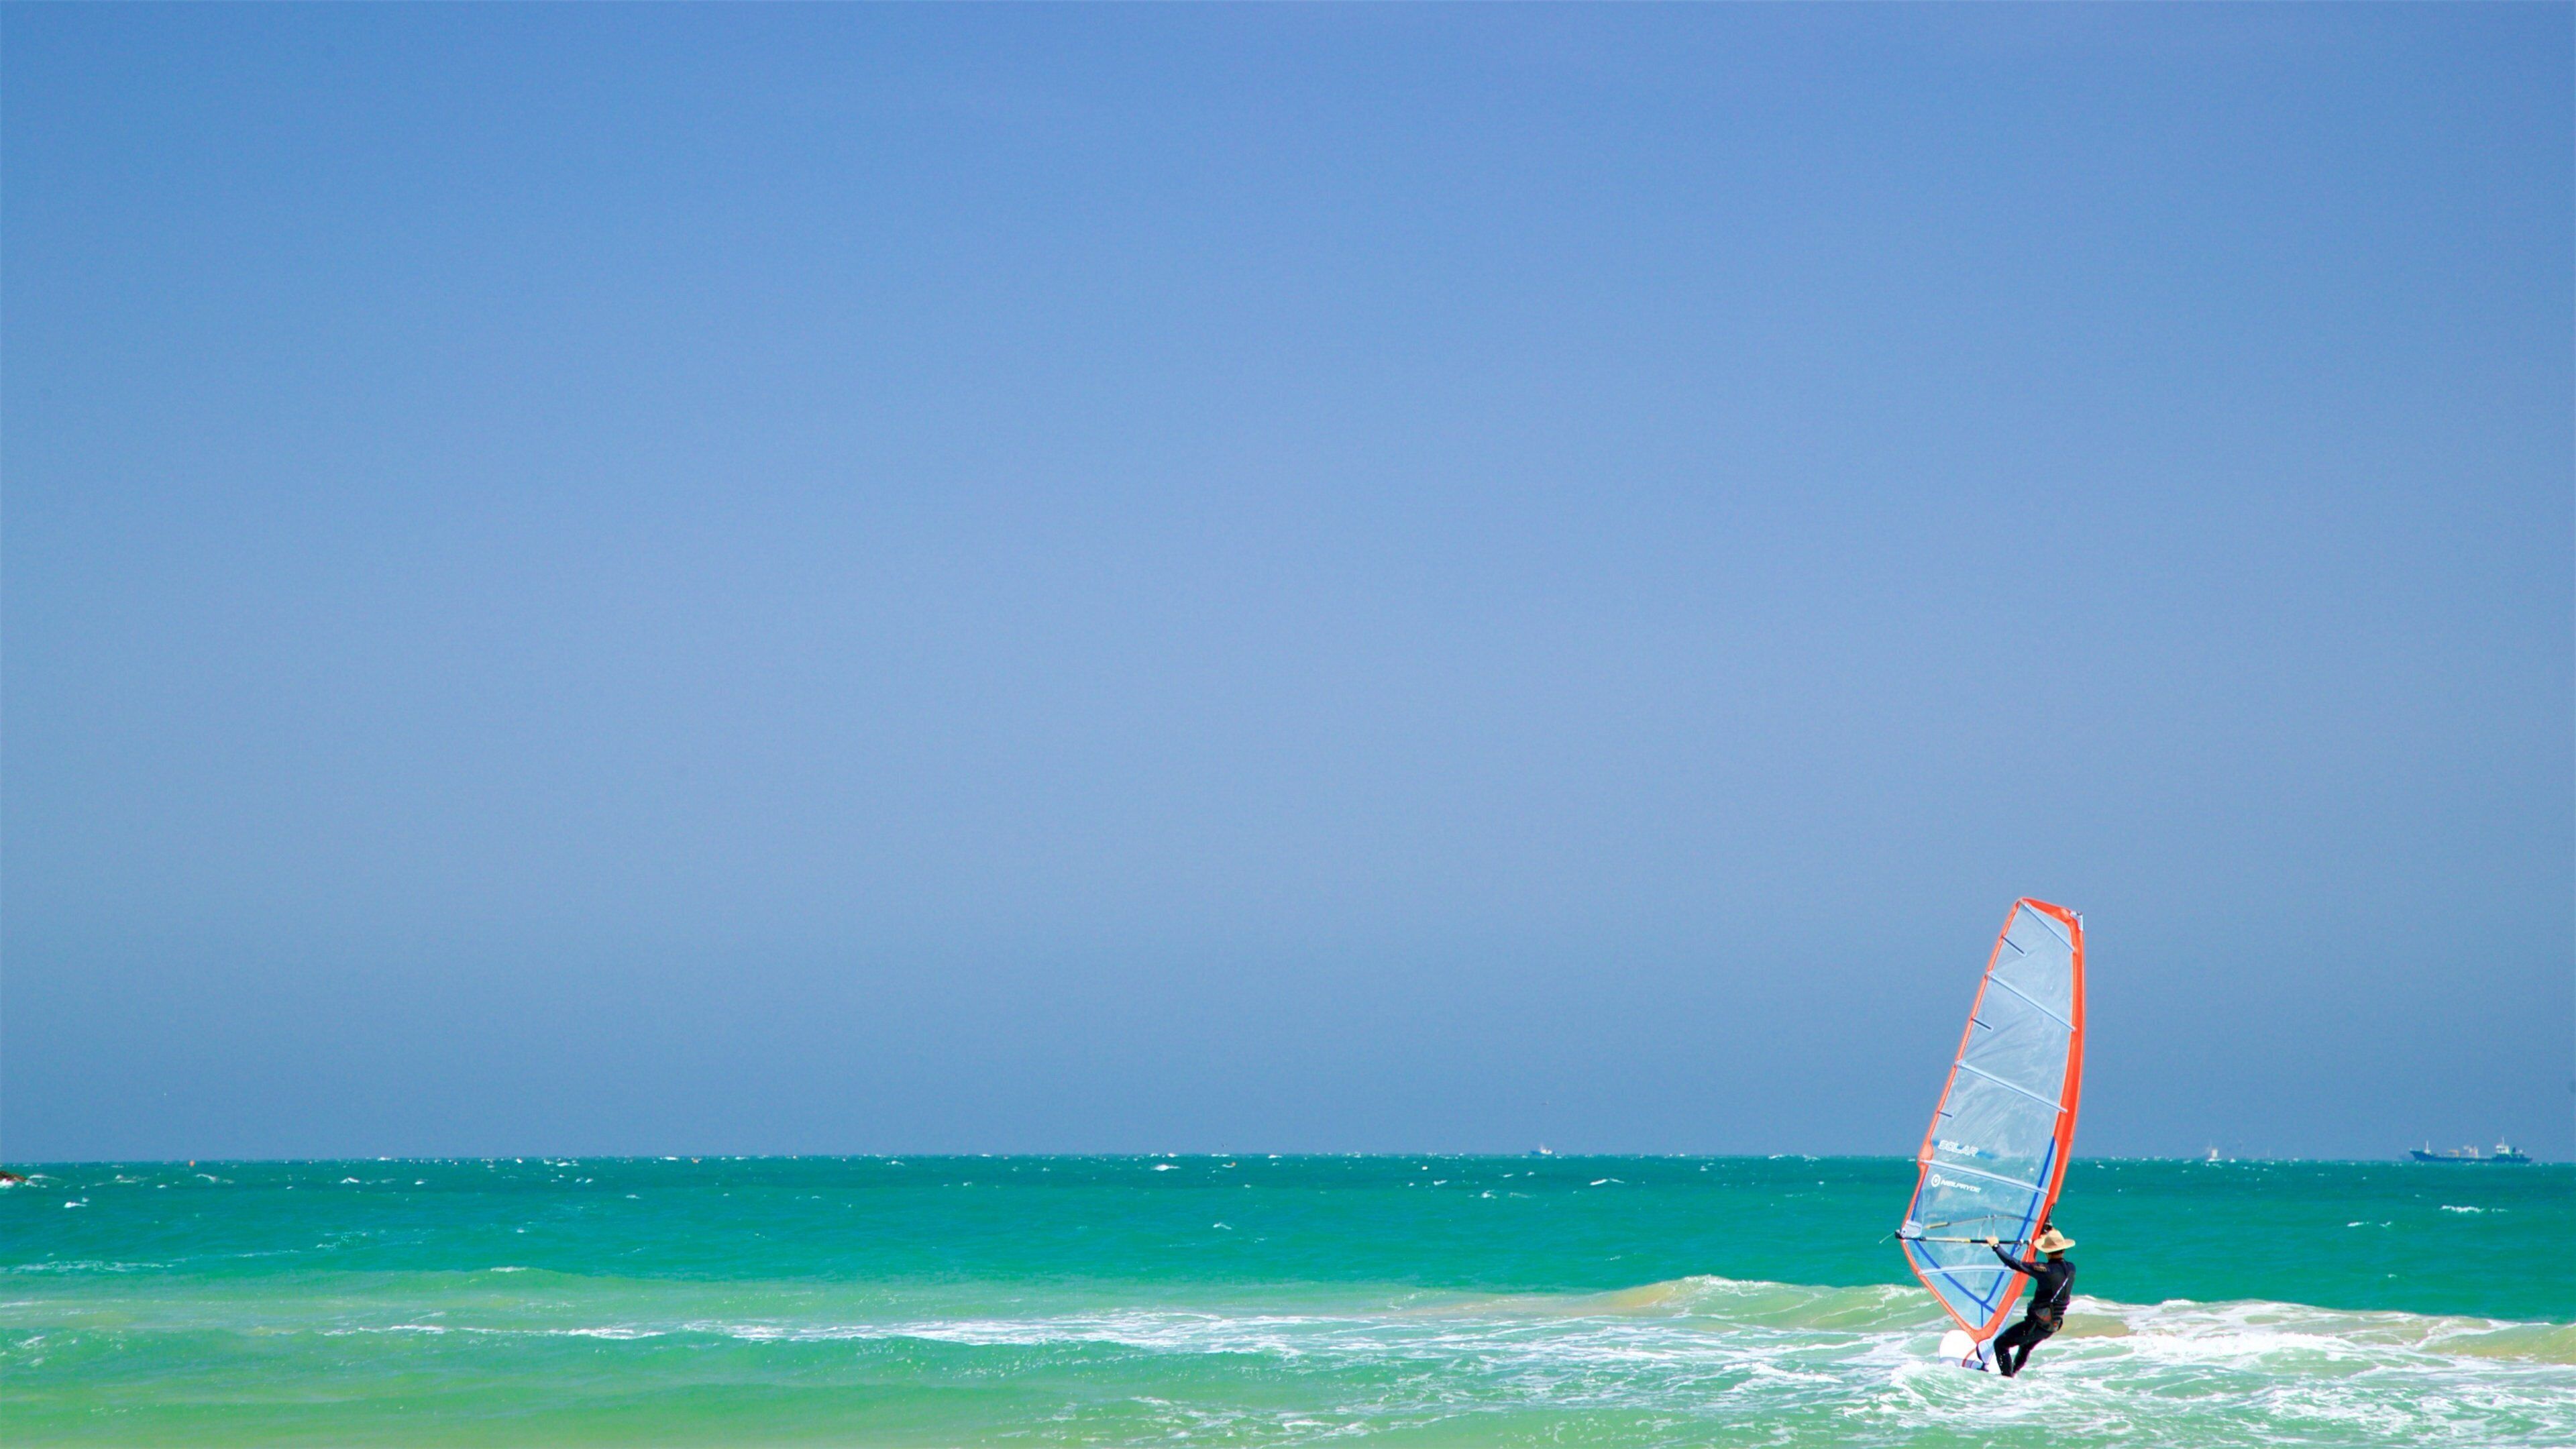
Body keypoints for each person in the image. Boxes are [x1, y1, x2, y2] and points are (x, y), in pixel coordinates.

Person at [1980, 1226, 2075, 1377]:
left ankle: (2006, 1378)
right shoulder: (2071, 1268)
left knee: (2001, 1344)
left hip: (2036, 1326)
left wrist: (1996, 1246)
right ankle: (2013, 1374)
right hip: (2052, 1326)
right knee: (2025, 1347)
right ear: (2063, 1249)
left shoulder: (2046, 1271)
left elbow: (2016, 1264)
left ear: (2046, 1251)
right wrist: (2049, 1231)